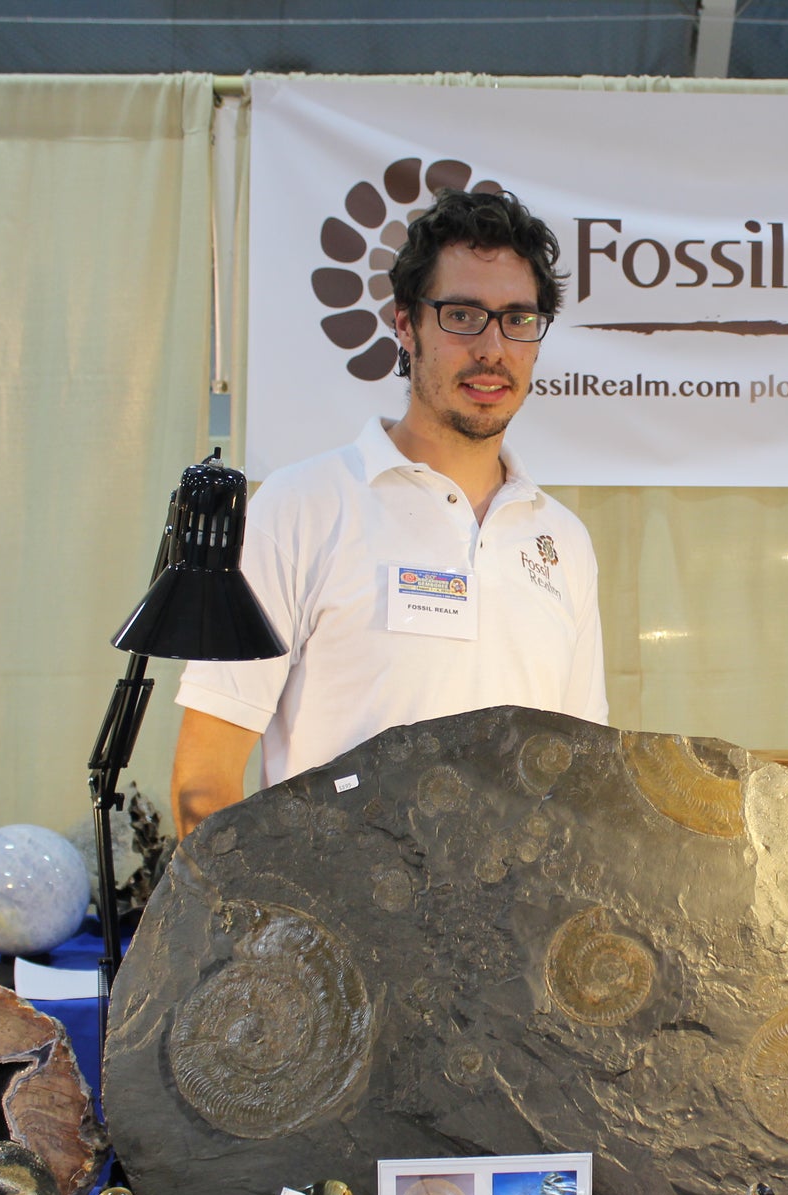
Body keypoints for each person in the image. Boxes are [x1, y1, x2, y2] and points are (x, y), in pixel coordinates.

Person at [170, 188, 608, 836]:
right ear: (406, 324)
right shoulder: (299, 509)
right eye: (463, 315)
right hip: (340, 931)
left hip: (512, 935)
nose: (493, 348)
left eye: (518, 318)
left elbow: (581, 784)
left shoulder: (562, 542)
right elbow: (202, 785)